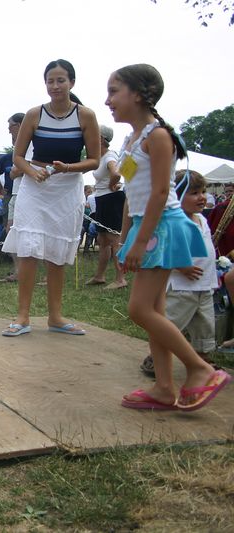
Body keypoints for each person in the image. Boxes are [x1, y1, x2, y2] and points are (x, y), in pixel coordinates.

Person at [109, 63, 229, 410]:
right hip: (148, 225)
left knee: (140, 309)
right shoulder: (133, 140)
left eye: (115, 91)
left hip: (162, 226)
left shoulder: (158, 136)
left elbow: (162, 193)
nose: (108, 100)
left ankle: (200, 368)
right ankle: (164, 387)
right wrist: (127, 237)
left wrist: (142, 242)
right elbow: (136, 191)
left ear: (139, 94)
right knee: (156, 310)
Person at [2, 59, 101, 337]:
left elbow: (94, 159)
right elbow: (17, 157)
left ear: (72, 82)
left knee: (58, 253)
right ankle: (22, 316)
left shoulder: (86, 116)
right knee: (29, 249)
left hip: (68, 187)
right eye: (50, 81)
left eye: (61, 80)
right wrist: (32, 174)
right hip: (35, 186)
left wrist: (67, 168)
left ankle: (55, 316)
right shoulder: (35, 114)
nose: (55, 86)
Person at [139, 170, 219, 377]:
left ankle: (204, 359)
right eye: (193, 193)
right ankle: (155, 358)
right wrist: (182, 267)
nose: (201, 197)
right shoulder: (172, 223)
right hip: (181, 287)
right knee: (172, 323)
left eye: (202, 192)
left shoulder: (202, 219)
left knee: (205, 326)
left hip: (205, 285)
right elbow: (162, 251)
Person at [86, 125, 127, 289]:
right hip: (102, 199)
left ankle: (120, 278)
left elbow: (116, 173)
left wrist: (112, 184)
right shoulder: (99, 157)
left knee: (114, 240)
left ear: (101, 139)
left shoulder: (110, 156)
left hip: (112, 199)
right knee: (102, 240)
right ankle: (100, 276)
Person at [0, 113, 27, 283]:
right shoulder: (19, 145)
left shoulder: (31, 143)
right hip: (15, 193)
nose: (9, 132)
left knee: (30, 234)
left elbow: (31, 165)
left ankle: (42, 273)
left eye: (11, 128)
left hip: (26, 193)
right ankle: (18, 271)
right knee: (11, 232)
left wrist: (15, 171)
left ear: (20, 125)